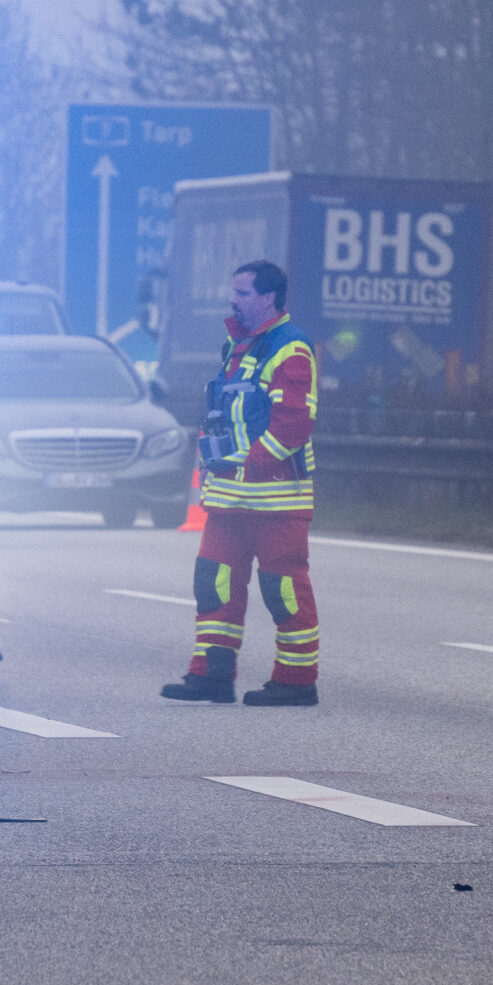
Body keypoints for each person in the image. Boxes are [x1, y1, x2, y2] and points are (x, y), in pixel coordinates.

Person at [161, 259, 320, 707]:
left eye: (243, 292)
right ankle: (211, 675)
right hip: (230, 498)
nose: (234, 299)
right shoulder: (238, 345)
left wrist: (248, 465)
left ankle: (295, 680)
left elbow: (293, 424)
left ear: (268, 298)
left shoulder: (290, 348)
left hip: (275, 500)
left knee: (283, 590)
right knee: (214, 583)